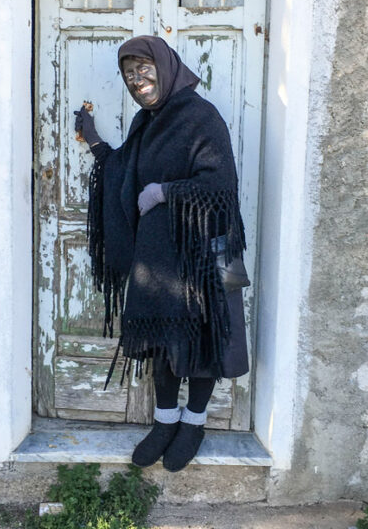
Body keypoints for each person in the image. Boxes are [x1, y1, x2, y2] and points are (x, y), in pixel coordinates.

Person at [74, 35, 249, 472]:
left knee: (206, 337)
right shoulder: (145, 123)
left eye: (144, 69)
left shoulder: (201, 117)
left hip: (209, 252)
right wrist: (94, 141)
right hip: (160, 257)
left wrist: (165, 191)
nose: (137, 80)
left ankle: (194, 424)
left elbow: (221, 185)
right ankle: (165, 421)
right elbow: (124, 172)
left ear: (165, 67)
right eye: (130, 74)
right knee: (162, 339)